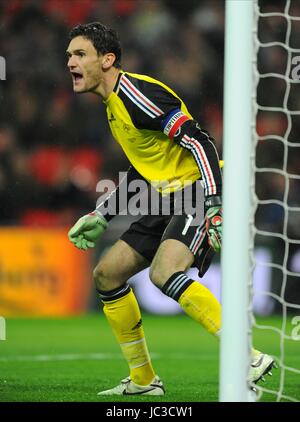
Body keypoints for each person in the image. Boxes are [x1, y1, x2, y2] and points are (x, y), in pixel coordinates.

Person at [66, 22, 274, 396]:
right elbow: (144, 171)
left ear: (107, 59)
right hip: (167, 196)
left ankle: (246, 355)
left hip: (198, 188)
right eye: (69, 55)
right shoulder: (113, 106)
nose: (70, 62)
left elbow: (201, 141)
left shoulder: (136, 95)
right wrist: (103, 214)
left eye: (80, 54)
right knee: (107, 275)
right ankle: (144, 382)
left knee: (165, 272)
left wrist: (213, 203)